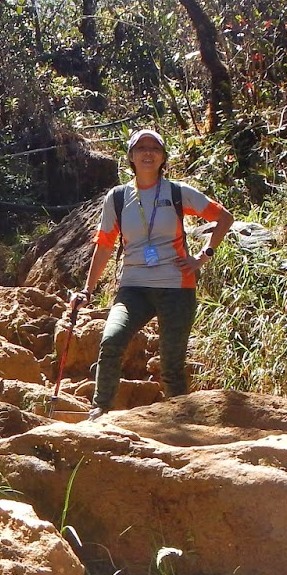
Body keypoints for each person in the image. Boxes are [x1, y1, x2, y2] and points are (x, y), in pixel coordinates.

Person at [75, 128, 233, 421]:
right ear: (131, 157)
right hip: (133, 287)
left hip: (177, 287)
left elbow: (224, 217)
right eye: (141, 148)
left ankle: (181, 422)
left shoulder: (177, 192)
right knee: (111, 340)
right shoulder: (117, 197)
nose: (148, 153)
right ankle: (101, 409)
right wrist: (88, 289)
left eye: (155, 148)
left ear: (163, 158)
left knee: (171, 363)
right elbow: (105, 244)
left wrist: (203, 256)